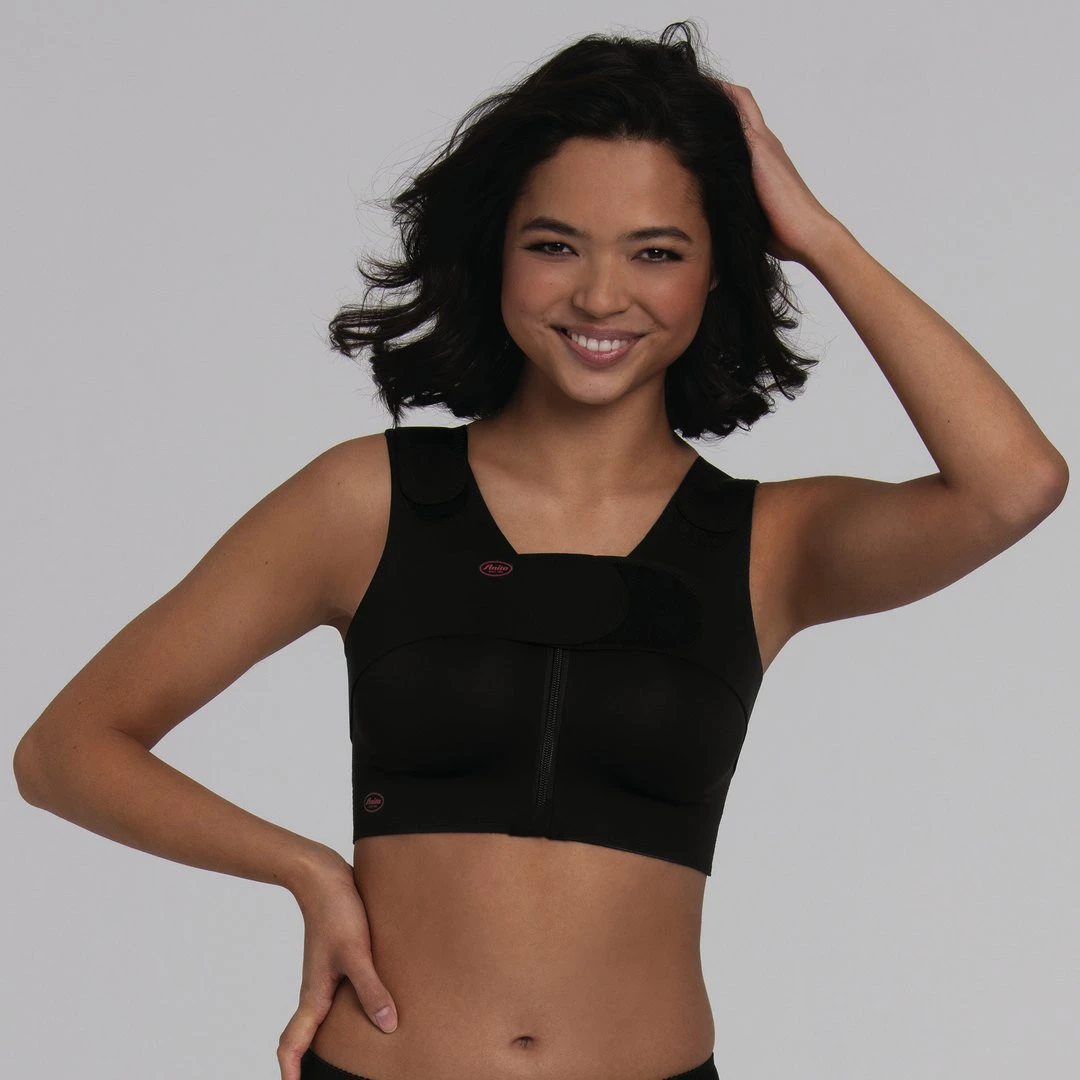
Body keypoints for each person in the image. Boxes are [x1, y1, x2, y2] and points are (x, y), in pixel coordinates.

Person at [12, 19, 1068, 1080]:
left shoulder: (769, 545)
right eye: (555, 245)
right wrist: (306, 870)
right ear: (497, 251)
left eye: (658, 252)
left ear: (716, 272)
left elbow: (1015, 484)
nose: (601, 296)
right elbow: (65, 752)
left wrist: (819, 236)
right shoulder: (366, 502)